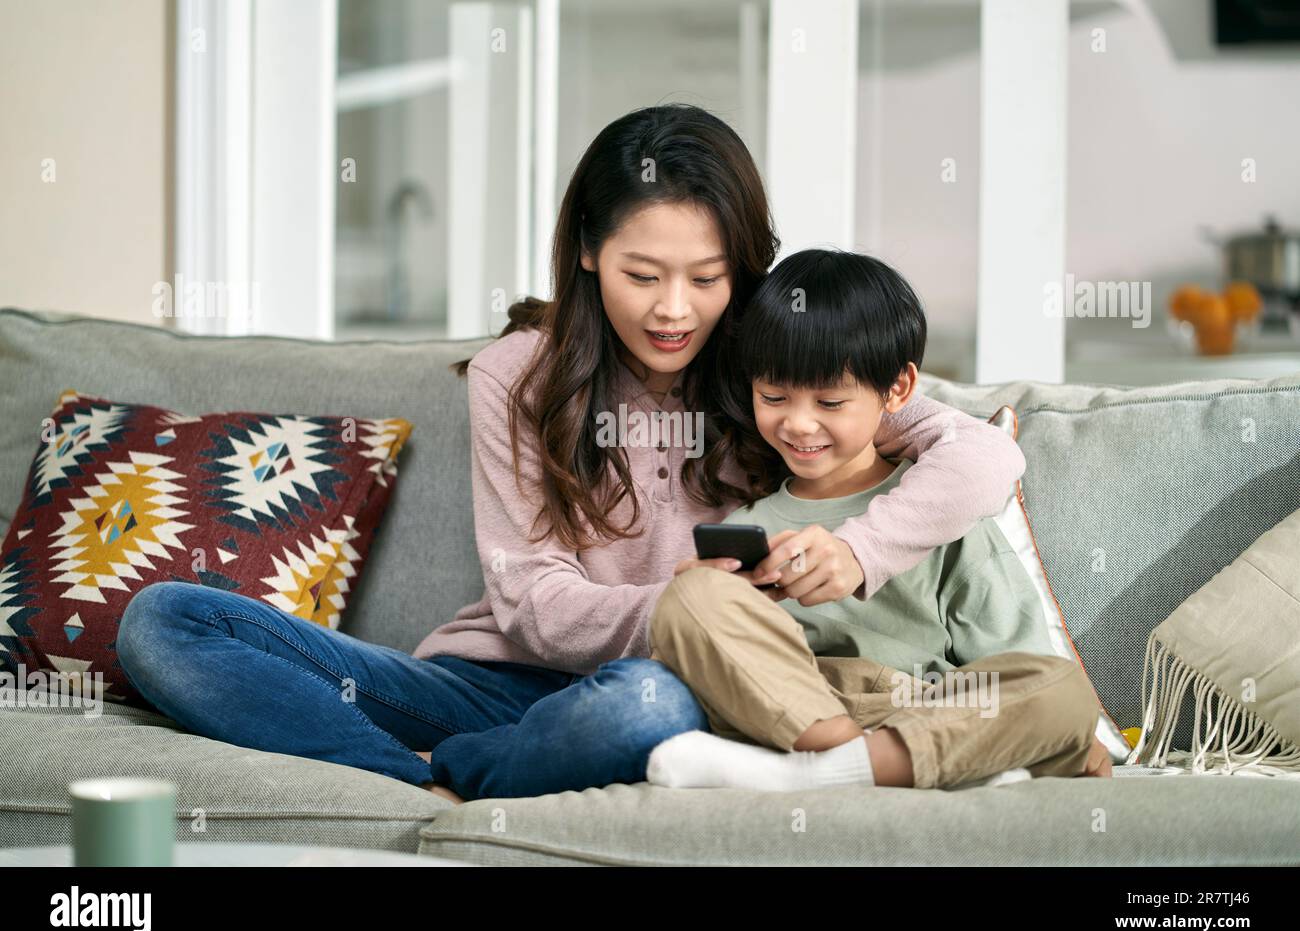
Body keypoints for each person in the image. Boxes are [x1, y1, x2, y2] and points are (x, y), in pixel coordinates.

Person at [117, 104, 1027, 803]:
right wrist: (689, 607)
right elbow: (533, 603)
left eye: (706, 279)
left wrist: (855, 555)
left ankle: (457, 776)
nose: (674, 309)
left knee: (645, 710)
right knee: (165, 622)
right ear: (589, 251)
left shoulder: (777, 371)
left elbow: (986, 460)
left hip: (672, 693)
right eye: (644, 275)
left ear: (743, 272)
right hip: (493, 685)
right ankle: (424, 776)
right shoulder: (518, 375)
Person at [645, 249, 1111, 792]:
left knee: (1064, 691)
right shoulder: (749, 518)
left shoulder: (938, 508)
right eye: (773, 396)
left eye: (830, 402)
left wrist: (1067, 729)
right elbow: (713, 654)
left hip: (927, 710)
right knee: (688, 595)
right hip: (800, 710)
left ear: (898, 390)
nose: (798, 423)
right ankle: (856, 764)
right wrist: (719, 595)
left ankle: (825, 774)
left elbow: (1017, 659)